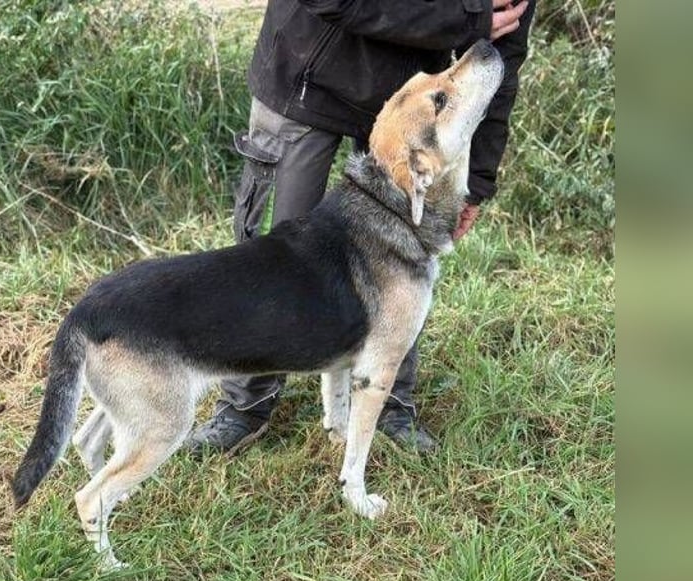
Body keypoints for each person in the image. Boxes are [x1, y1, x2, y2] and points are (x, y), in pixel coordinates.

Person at [188, 0, 535, 455]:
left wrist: (478, 180)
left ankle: (388, 402)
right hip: (307, 74)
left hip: (411, 108)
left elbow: (500, 56)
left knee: (403, 257)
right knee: (270, 257)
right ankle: (245, 402)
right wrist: (464, 17)